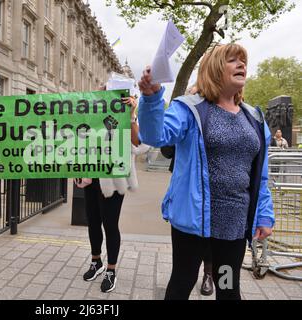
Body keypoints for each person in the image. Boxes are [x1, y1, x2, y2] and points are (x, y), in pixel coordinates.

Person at [138, 43, 274, 300]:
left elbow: (260, 175)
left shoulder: (254, 118)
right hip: (193, 222)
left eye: (243, 61)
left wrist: (264, 215)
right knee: (182, 282)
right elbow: (155, 136)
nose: (241, 65)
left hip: (233, 224)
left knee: (228, 286)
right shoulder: (189, 109)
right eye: (232, 60)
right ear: (214, 70)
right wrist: (152, 98)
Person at [80, 89, 149, 293]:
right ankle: (96, 262)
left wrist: (131, 114)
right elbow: (79, 144)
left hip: (114, 180)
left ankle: (111, 270)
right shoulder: (91, 118)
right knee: (93, 222)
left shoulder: (125, 117)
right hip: (91, 178)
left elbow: (139, 145)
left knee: (110, 224)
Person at [160, 85, 214, 296]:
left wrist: (263, 214)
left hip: (228, 216)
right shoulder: (184, 113)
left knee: (228, 280)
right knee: (183, 276)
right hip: (189, 198)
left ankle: (209, 273)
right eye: (191, 94)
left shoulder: (242, 114)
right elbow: (164, 146)